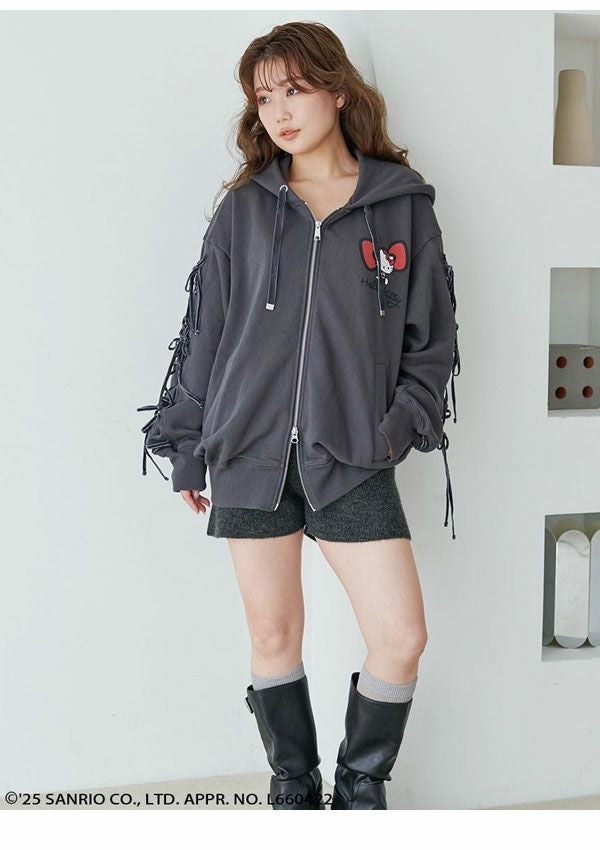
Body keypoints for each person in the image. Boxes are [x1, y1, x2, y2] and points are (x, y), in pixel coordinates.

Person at [137, 20, 460, 811]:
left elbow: (431, 344)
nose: (279, 110)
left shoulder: (400, 207)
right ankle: (293, 793)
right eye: (264, 97)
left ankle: (358, 794)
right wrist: (186, 441)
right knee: (274, 637)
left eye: (295, 89)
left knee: (401, 638)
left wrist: (394, 428)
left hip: (352, 456)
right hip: (248, 452)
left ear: (337, 91)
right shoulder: (244, 210)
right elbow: (205, 333)